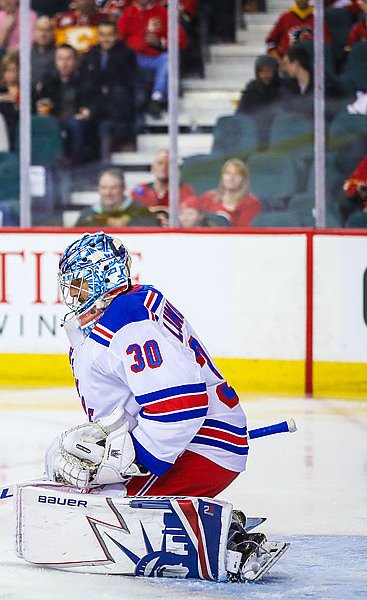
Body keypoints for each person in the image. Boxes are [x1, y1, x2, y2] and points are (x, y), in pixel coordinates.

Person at [46, 231, 278, 582]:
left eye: (78, 283)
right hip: (191, 442)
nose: (73, 294)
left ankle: (226, 539)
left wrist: (133, 460)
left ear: (103, 277)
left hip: (199, 447)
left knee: (97, 516)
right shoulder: (126, 309)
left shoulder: (130, 322)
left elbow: (180, 407)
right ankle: (201, 519)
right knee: (88, 498)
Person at [117, 0, 188, 117]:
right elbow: (119, 40)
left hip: (154, 59)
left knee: (168, 58)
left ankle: (157, 98)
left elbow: (182, 41)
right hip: (132, 58)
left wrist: (161, 42)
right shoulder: (128, 13)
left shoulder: (163, 13)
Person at [34, 44, 100, 164]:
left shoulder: (86, 79)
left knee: (75, 125)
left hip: (77, 120)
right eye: (61, 59)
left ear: (75, 61)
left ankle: (76, 165)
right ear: (55, 61)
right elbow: (42, 102)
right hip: (54, 120)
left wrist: (89, 112)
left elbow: (95, 104)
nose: (64, 63)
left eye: (68, 59)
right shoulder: (48, 80)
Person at [80, 19, 138, 152]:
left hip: (117, 104)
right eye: (102, 35)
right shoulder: (91, 54)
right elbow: (86, 82)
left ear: (116, 36)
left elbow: (126, 83)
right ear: (98, 36)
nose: (106, 39)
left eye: (109, 35)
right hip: (94, 103)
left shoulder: (127, 54)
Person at [76, 169, 157, 227]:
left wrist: (127, 225)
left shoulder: (140, 211)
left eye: (113, 188)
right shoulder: (87, 215)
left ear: (123, 189)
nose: (108, 192)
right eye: (104, 188)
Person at [198, 159, 262, 227]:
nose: (231, 178)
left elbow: (245, 233)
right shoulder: (207, 198)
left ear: (243, 179)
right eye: (227, 173)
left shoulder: (251, 204)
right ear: (222, 176)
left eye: (237, 174)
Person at [130, 149, 196, 214]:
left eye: (168, 164)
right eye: (160, 163)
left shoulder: (185, 191)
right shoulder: (140, 190)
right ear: (152, 167)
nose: (164, 168)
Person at [265, 0, 330, 60]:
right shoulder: (284, 17)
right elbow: (271, 42)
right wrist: (278, 58)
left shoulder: (317, 18)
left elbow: (326, 43)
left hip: (310, 61)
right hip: (287, 62)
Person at [30, 16, 56, 86]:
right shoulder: (26, 54)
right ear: (34, 31)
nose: (43, 34)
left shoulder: (59, 54)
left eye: (47, 30)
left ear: (52, 32)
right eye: (39, 30)